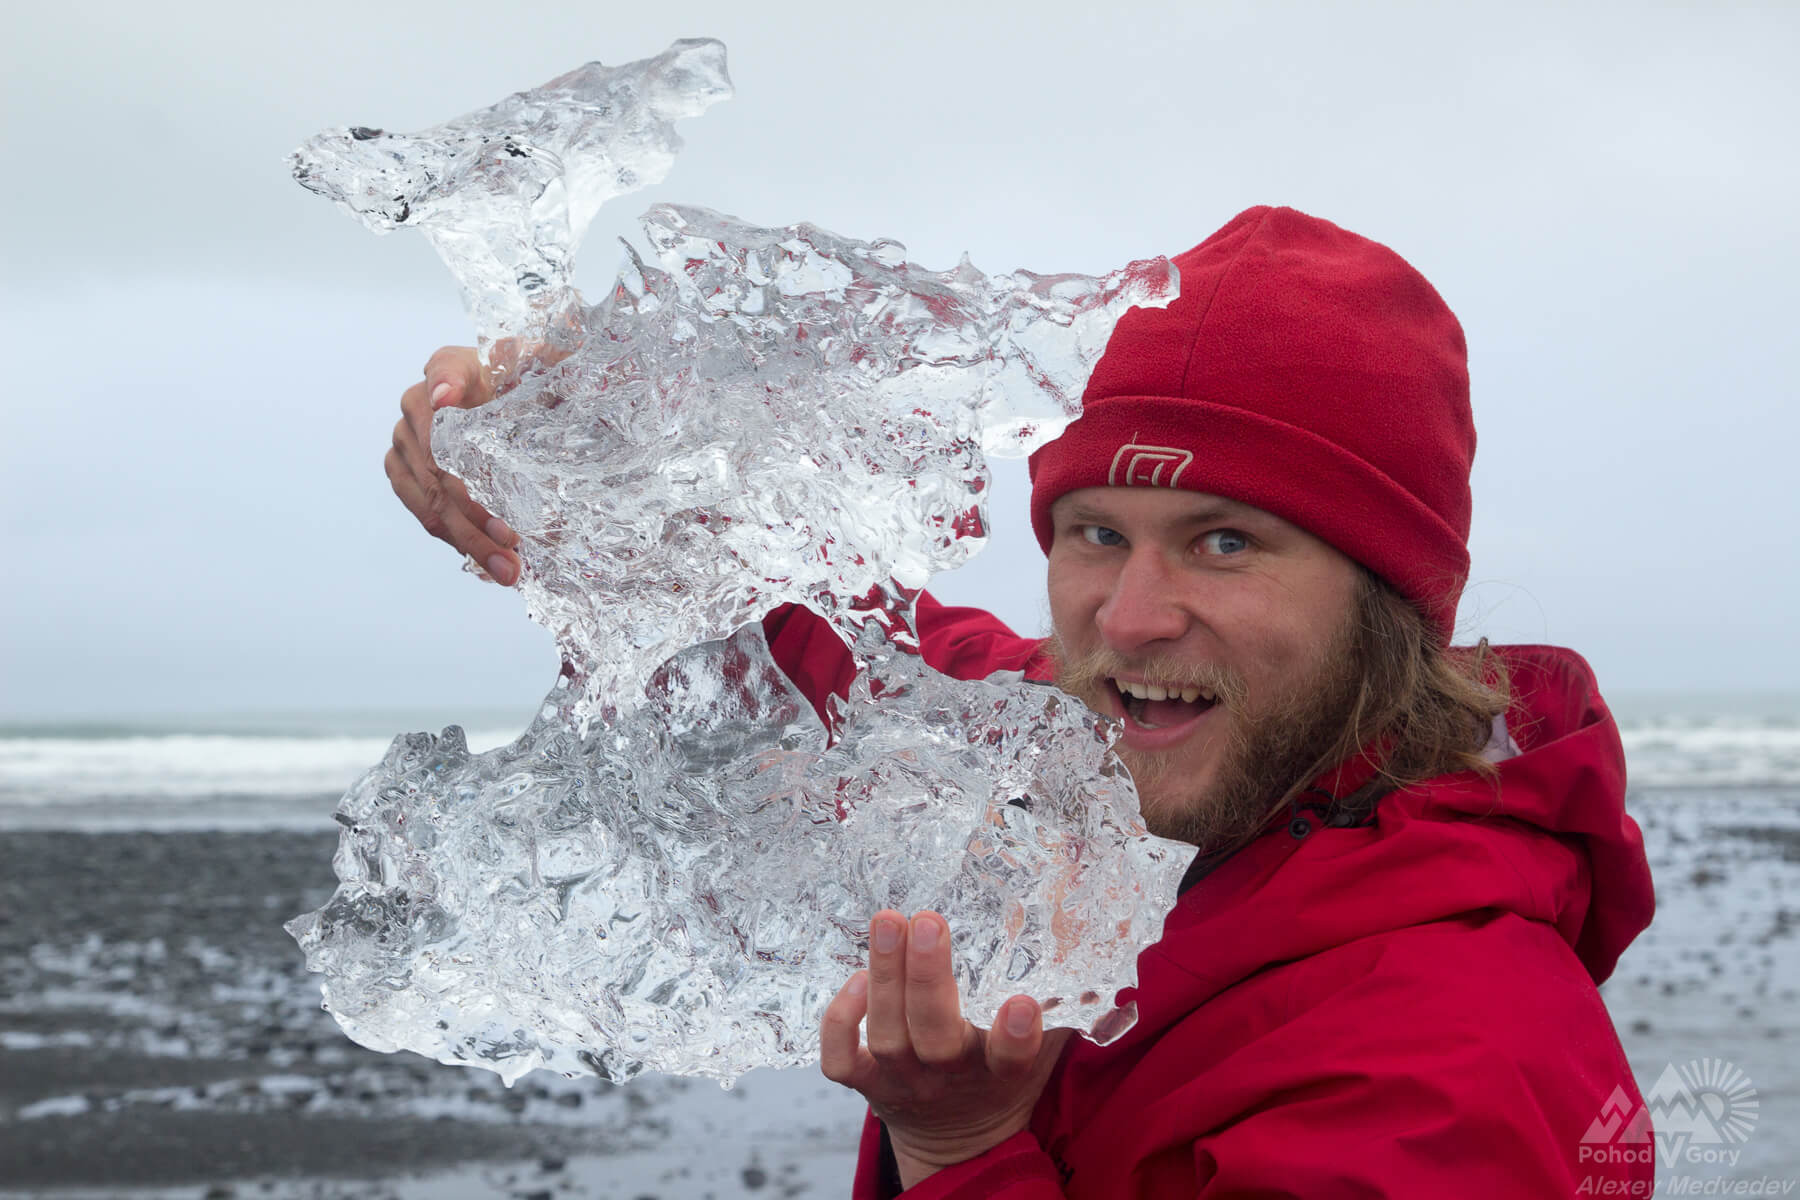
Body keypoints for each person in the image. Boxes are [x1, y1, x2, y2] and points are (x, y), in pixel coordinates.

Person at [388, 206, 1656, 1197]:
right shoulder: (1123, 758)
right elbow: (857, 664)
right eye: (1096, 531)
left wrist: (962, 1147)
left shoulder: (1450, 1070)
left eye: (1226, 544)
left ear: (1388, 602)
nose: (1134, 617)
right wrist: (561, 452)